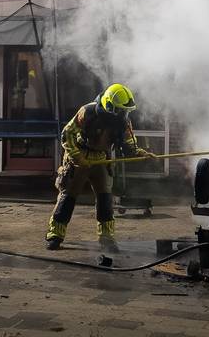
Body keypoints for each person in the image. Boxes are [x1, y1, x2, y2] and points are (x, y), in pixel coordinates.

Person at [46, 83, 155, 251]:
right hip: (79, 158)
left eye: (126, 111)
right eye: (121, 111)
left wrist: (140, 153)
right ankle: (55, 235)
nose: (124, 114)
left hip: (102, 160)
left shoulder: (123, 121)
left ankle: (107, 238)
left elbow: (128, 143)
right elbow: (67, 134)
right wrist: (78, 157)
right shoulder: (87, 112)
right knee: (68, 197)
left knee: (105, 200)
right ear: (110, 106)